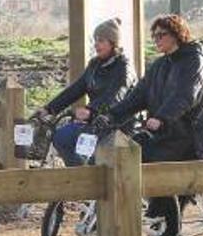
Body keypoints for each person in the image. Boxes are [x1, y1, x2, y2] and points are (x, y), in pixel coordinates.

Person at [101, 13, 203, 236]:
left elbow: (184, 96)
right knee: (138, 153)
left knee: (158, 172)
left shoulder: (194, 62)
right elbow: (138, 96)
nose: (156, 40)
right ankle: (158, 224)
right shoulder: (160, 65)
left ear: (177, 34)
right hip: (168, 135)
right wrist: (111, 114)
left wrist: (161, 118)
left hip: (191, 138)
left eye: (161, 35)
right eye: (154, 36)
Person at [34, 18, 135, 165]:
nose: (96, 44)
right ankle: (81, 175)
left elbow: (116, 94)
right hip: (95, 122)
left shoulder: (124, 67)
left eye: (101, 40)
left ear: (113, 43)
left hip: (117, 124)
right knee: (61, 137)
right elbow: (75, 89)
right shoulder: (95, 65)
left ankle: (90, 177)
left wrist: (91, 110)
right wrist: (49, 108)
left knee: (93, 155)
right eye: (95, 40)